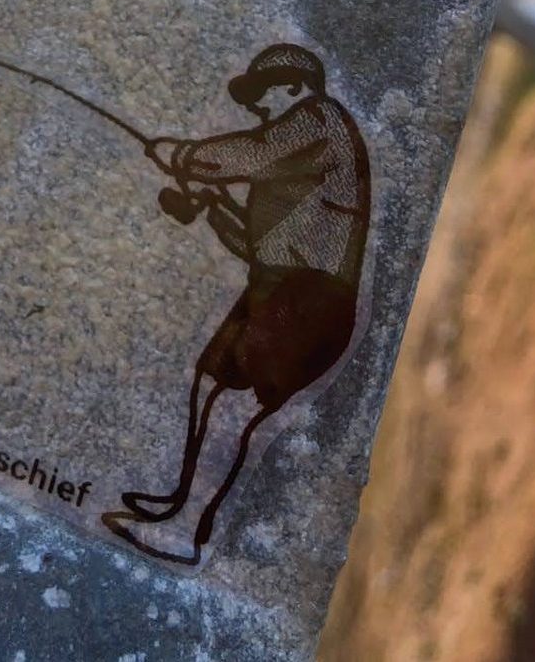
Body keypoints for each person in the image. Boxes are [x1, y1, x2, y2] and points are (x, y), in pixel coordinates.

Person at [102, 43, 371, 565]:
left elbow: (250, 152)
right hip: (281, 290)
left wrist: (182, 156)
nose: (257, 106)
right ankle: (181, 501)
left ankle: (187, 532)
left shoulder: (320, 118)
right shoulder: (295, 161)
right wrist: (210, 207)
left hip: (311, 300)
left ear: (294, 87)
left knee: (234, 405)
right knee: (209, 382)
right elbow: (257, 245)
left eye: (262, 95)